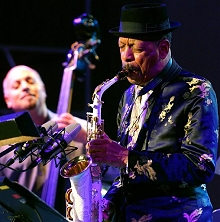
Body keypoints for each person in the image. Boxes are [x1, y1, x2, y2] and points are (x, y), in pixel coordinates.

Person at [87, 3, 219, 222]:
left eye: (136, 49)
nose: (126, 56)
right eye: (122, 46)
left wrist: (123, 156)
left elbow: (200, 166)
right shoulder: (129, 96)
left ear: (163, 49)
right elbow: (128, 174)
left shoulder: (196, 90)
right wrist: (109, 202)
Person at [0, 65, 88, 215]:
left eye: (30, 81)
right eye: (16, 85)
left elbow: (114, 172)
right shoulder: (3, 141)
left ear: (43, 89)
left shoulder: (80, 128)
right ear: (7, 100)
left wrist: (89, 138)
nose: (25, 87)